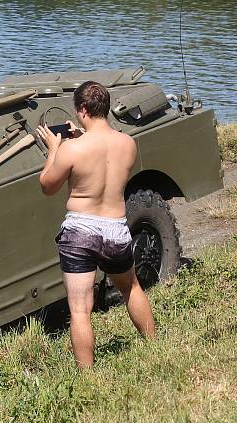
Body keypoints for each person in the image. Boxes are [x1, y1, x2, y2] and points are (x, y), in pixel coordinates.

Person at [36, 81, 156, 369]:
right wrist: (81, 137)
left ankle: (87, 379)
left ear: (82, 109)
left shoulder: (72, 150)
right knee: (132, 288)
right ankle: (154, 347)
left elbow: (47, 186)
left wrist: (55, 148)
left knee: (80, 310)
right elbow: (103, 160)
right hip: (115, 229)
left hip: (80, 232)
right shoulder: (128, 144)